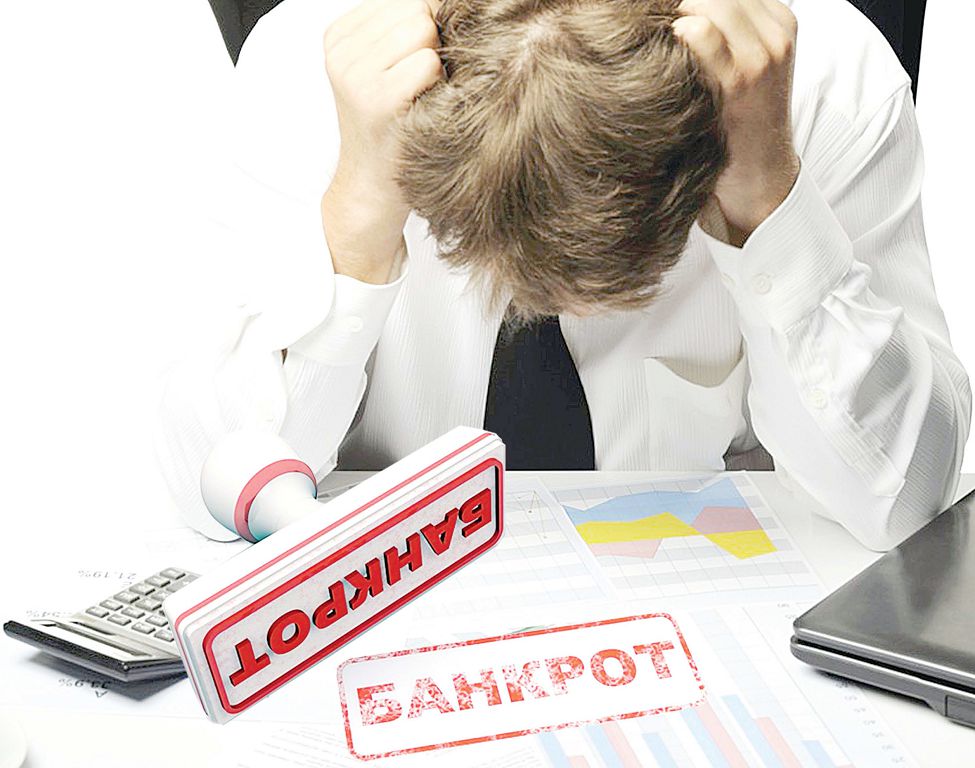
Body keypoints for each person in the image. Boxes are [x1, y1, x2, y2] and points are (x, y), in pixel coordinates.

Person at [156, 0, 971, 551]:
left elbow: (902, 504)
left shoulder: (820, 82)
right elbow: (208, 486)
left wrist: (769, 199)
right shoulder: (309, 72)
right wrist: (357, 212)